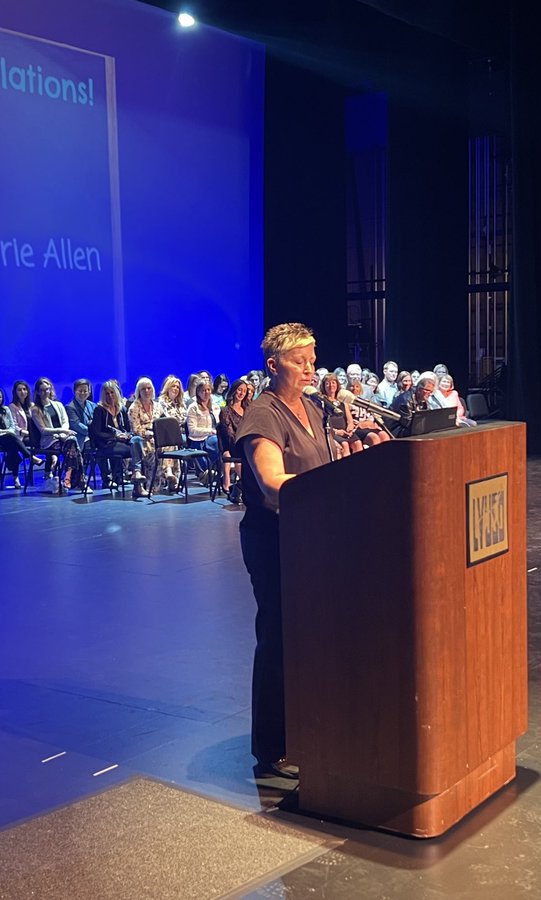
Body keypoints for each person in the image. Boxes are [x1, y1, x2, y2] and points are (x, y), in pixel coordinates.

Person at [236, 323, 332, 782]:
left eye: (312, 358)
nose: (310, 367)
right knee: (278, 636)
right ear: (273, 366)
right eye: (300, 360)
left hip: (312, 537)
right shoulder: (263, 413)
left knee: (312, 636)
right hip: (273, 540)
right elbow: (272, 485)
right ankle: (272, 746)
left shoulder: (313, 407)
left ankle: (310, 729)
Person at [89, 380, 147, 497]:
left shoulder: (122, 409)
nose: (110, 396)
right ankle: (133, 478)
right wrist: (115, 436)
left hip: (122, 441)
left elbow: (127, 428)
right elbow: (97, 432)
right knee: (134, 448)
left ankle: (136, 472)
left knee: (137, 440)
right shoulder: (99, 410)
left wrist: (127, 435)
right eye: (107, 393)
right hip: (106, 444)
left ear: (116, 393)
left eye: (112, 393)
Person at [30, 378, 82, 492]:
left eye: (47, 389)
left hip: (63, 437)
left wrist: (63, 432)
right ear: (38, 392)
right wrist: (60, 432)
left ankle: (68, 478)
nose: (45, 392)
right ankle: (76, 478)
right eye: (42, 390)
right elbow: (43, 430)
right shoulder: (35, 410)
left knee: (72, 442)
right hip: (49, 440)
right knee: (72, 446)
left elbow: (65, 421)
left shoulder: (58, 404)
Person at [217, 378, 249, 498]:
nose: (241, 393)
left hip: (245, 442)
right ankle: (245, 485)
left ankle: (247, 486)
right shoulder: (225, 411)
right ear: (234, 391)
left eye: (244, 391)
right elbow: (228, 433)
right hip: (232, 444)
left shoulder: (248, 409)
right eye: (239, 390)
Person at [317, 371, 361, 457]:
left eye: (333, 382)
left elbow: (350, 420)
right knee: (345, 444)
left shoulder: (343, 402)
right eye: (327, 383)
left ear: (337, 385)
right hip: (333, 432)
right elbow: (322, 423)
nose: (331, 385)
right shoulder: (322, 402)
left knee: (358, 443)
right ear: (323, 386)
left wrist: (350, 429)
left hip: (346, 432)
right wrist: (337, 432)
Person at [155, 374, 186, 492]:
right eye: (173, 386)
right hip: (166, 434)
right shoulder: (161, 403)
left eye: (178, 387)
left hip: (181, 433)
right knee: (170, 441)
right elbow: (164, 421)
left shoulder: (181, 404)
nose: (175, 389)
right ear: (167, 388)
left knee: (175, 440)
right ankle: (169, 472)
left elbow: (184, 420)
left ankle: (172, 476)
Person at [185, 380, 222, 480]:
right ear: (198, 392)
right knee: (216, 441)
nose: (206, 393)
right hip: (198, 440)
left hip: (213, 437)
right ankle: (213, 471)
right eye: (203, 391)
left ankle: (224, 470)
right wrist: (210, 431)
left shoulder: (215, 407)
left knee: (223, 441)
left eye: (208, 390)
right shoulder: (193, 408)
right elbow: (192, 430)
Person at [128, 377, 159, 491]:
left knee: (171, 445)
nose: (146, 391)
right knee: (149, 444)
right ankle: (148, 484)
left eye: (149, 388)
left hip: (157, 436)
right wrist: (148, 433)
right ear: (138, 392)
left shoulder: (157, 406)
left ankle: (169, 476)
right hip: (143, 437)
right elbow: (135, 428)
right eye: (143, 389)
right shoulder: (134, 407)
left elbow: (164, 421)